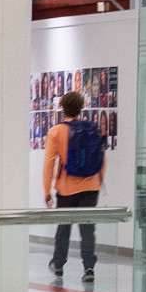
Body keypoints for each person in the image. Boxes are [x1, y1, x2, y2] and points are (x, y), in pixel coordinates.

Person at [43, 89, 106, 282]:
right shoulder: (92, 129)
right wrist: (99, 180)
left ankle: (58, 263)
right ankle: (88, 268)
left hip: (66, 188)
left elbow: (49, 163)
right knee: (88, 228)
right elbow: (102, 159)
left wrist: (47, 190)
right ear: (81, 108)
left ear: (63, 108)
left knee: (64, 227)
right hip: (91, 187)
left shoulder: (56, 132)